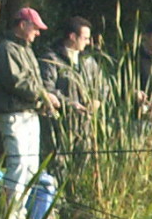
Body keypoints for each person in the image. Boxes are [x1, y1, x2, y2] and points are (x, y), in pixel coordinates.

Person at [0, 6, 60, 213]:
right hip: (12, 115)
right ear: (23, 24)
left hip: (29, 114)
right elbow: (16, 82)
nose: (38, 32)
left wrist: (43, 101)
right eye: (35, 28)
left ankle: (20, 211)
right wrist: (44, 95)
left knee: (31, 167)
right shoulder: (6, 49)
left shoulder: (25, 49)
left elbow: (31, 82)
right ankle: (8, 211)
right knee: (17, 164)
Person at [38, 16, 105, 157]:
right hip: (60, 124)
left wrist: (98, 100)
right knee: (59, 162)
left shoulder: (88, 61)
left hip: (85, 125)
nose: (88, 42)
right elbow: (46, 88)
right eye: (85, 38)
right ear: (73, 36)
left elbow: (102, 85)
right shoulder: (51, 59)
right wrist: (69, 104)